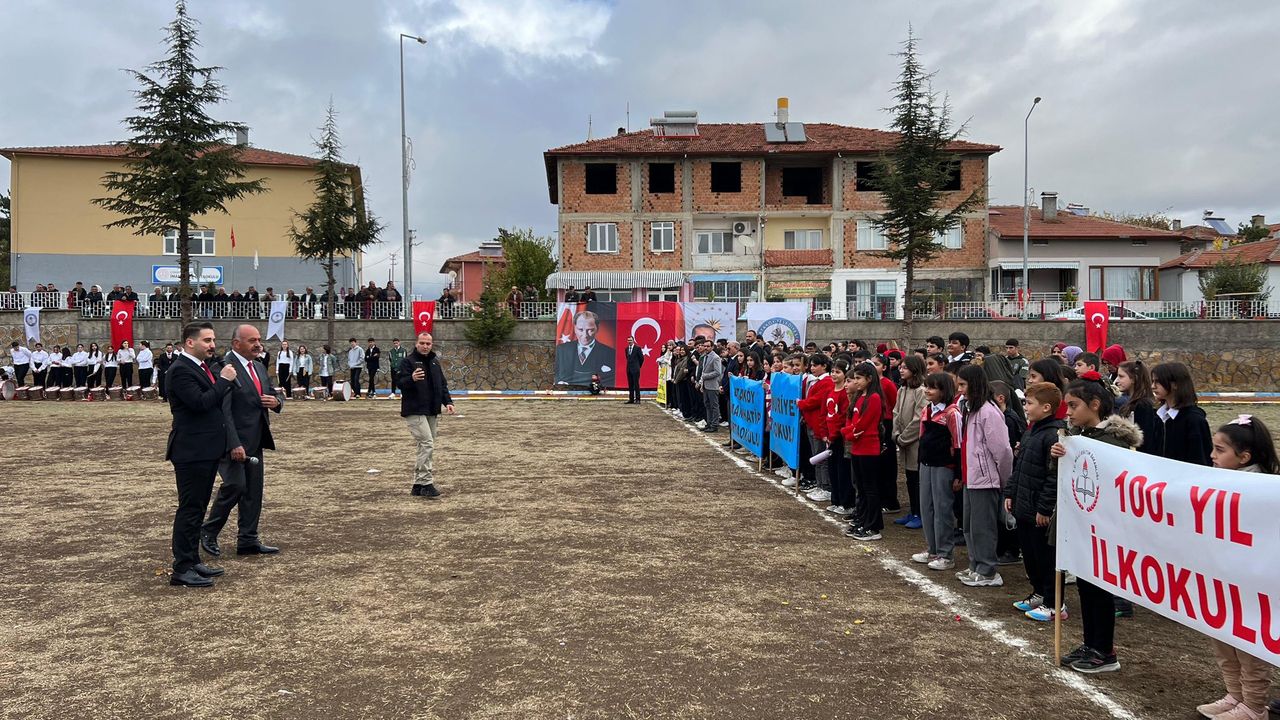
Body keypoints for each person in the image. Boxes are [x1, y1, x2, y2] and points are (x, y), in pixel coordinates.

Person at [1050, 375, 1143, 673]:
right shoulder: (1077, 437)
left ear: (1094, 404)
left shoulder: (1112, 442)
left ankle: (1105, 650)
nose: (1068, 412)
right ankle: (1090, 643)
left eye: (1074, 406)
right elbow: (1067, 477)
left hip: (1102, 527)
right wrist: (1059, 457)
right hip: (1080, 525)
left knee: (1100, 590)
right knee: (1086, 588)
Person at [1195, 415, 1279, 720]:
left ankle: (1254, 705)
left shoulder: (1265, 490)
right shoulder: (1218, 482)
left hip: (1251, 582)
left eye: (1220, 450)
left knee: (1248, 641)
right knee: (1222, 634)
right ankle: (1235, 694)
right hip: (1222, 575)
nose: (1212, 456)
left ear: (1244, 457)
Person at [200, 324, 283, 559]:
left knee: (253, 491)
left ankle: (248, 539)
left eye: (259, 340)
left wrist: (277, 402)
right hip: (232, 441)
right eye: (252, 341)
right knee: (236, 485)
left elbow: (273, 392)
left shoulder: (258, 366)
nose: (258, 345)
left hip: (256, 438)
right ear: (236, 344)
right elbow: (223, 411)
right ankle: (208, 530)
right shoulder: (224, 368)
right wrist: (233, 443)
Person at [164, 322, 237, 587]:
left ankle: (193, 560)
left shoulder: (200, 367)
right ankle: (182, 568)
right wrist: (224, 381)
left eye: (213, 340)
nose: (212, 345)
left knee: (198, 508)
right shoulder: (180, 370)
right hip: (191, 450)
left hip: (206, 449)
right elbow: (200, 403)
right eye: (207, 340)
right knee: (190, 508)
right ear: (190, 342)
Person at [1005, 382, 1066, 622]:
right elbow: (1020, 467)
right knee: (1030, 554)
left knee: (1045, 556)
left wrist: (1044, 508)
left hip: (1038, 508)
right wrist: (1010, 493)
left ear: (1046, 407)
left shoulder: (1054, 435)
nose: (1026, 407)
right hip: (1023, 504)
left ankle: (1054, 603)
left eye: (1030, 403)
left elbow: (1053, 476)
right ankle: (1039, 592)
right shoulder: (1032, 431)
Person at [955, 365, 1014, 587]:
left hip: (985, 479)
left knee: (983, 527)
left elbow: (1003, 450)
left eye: (963, 385)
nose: (960, 390)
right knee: (970, 526)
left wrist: (1004, 480)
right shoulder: (971, 409)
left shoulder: (988, 412)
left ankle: (987, 569)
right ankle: (975, 565)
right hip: (971, 477)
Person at [912, 372, 962, 570]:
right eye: (927, 386)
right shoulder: (927, 410)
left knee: (942, 509)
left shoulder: (952, 413)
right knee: (927, 507)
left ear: (944, 390)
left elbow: (958, 444)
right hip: (926, 465)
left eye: (932, 387)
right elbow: (922, 437)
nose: (927, 391)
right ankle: (932, 548)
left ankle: (945, 553)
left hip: (944, 466)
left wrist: (958, 474)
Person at [396, 332, 456, 497]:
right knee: (427, 443)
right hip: (414, 410)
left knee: (425, 446)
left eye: (428, 343)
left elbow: (442, 385)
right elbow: (399, 383)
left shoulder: (435, 362)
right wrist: (412, 378)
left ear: (432, 344)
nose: (425, 346)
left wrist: (448, 402)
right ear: (416, 343)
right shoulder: (407, 362)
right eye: (422, 343)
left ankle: (417, 485)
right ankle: (426, 483)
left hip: (432, 410)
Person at [844, 362, 886, 541]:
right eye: (854, 378)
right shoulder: (859, 397)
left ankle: (873, 526)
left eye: (859, 378)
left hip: (869, 448)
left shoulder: (874, 398)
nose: (856, 382)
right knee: (861, 488)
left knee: (870, 489)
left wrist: (849, 433)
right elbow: (850, 421)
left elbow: (863, 423)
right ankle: (862, 520)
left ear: (869, 379)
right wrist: (848, 432)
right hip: (857, 447)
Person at [892, 354, 928, 530]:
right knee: (909, 478)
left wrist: (904, 437)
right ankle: (913, 511)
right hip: (903, 440)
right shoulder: (902, 389)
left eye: (905, 367)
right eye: (901, 367)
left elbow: (919, 418)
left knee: (916, 479)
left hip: (914, 442)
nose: (901, 370)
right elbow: (896, 413)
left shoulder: (921, 391)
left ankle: (919, 513)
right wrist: (896, 433)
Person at [1152, 362, 1212, 466]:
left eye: (1158, 382)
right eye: (1152, 381)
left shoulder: (1194, 420)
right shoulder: (1159, 416)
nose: (1153, 386)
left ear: (1175, 384)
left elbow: (1201, 459)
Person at [797, 353, 833, 501]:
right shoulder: (817, 381)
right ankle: (820, 485)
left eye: (815, 365)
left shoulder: (826, 382)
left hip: (818, 425)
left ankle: (825, 487)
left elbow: (815, 400)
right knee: (816, 457)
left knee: (821, 458)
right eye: (811, 365)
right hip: (812, 423)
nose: (812, 368)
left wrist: (801, 403)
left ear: (824, 366)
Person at [823, 358, 853, 516]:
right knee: (833, 470)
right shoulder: (830, 391)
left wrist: (834, 435)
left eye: (838, 372)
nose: (834, 375)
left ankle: (846, 502)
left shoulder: (844, 394)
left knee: (843, 471)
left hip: (840, 437)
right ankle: (835, 500)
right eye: (832, 371)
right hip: (830, 437)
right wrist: (825, 434)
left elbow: (842, 417)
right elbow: (826, 413)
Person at [554, 310, 615, 386]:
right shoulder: (561, 350)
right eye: (580, 329)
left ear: (597, 329)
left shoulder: (610, 353)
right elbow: (556, 373)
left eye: (590, 330)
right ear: (574, 328)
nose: (585, 335)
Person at [1116, 360, 1162, 456]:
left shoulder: (1143, 405)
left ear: (1134, 378)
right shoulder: (1129, 403)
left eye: (1121, 376)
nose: (1117, 381)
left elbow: (1145, 439)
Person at [698, 339, 724, 433]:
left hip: (713, 385)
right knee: (707, 405)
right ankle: (709, 423)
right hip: (706, 385)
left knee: (714, 406)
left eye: (708, 346)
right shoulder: (705, 356)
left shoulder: (715, 357)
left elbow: (717, 372)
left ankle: (714, 425)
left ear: (712, 347)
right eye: (704, 346)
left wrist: (705, 376)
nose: (706, 348)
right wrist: (702, 381)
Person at [623, 335, 645, 404]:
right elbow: (627, 358)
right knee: (630, 385)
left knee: (636, 384)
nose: (629, 341)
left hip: (635, 369)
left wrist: (638, 366)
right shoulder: (626, 349)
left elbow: (642, 358)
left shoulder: (637, 348)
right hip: (629, 369)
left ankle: (638, 399)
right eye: (628, 340)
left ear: (633, 340)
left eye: (631, 340)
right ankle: (631, 399)